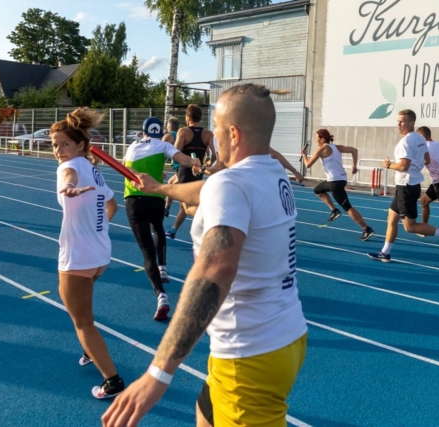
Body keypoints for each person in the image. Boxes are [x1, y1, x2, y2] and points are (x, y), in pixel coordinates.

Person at [102, 83, 308, 427]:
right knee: (206, 412)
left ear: (233, 134)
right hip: (285, 334)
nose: (214, 137)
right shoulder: (270, 173)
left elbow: (215, 271)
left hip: (247, 355)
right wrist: (161, 187)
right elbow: (210, 188)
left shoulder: (232, 184)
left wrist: (158, 373)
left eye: (217, 128)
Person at [51, 107, 124, 399]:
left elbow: (68, 175)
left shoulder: (69, 168)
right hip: (100, 254)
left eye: (65, 144)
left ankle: (113, 381)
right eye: (55, 145)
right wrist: (97, 229)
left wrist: (69, 187)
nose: (59, 151)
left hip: (78, 256)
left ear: (80, 144)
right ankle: (89, 350)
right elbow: (112, 205)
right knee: (80, 311)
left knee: (82, 321)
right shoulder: (93, 169)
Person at [124, 117, 199, 320]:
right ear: (160, 132)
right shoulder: (163, 145)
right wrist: (195, 163)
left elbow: (126, 169)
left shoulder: (132, 146)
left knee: (147, 253)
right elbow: (183, 159)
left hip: (134, 199)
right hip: (156, 197)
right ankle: (163, 268)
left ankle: (161, 296)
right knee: (158, 228)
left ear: (143, 131)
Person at [367, 110, 439, 262]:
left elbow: (404, 166)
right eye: (398, 121)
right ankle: (385, 252)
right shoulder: (420, 138)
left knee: (410, 227)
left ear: (411, 123)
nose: (398, 124)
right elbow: (427, 159)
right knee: (391, 218)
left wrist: (388, 165)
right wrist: (416, 163)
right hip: (410, 184)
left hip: (406, 186)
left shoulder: (405, 142)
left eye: (402, 121)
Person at [301, 128, 375, 240]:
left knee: (348, 207)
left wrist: (304, 155)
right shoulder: (337, 147)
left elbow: (307, 165)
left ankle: (366, 228)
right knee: (318, 190)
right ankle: (334, 210)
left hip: (334, 182)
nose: (316, 141)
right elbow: (354, 150)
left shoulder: (321, 149)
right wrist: (354, 165)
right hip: (341, 179)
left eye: (317, 138)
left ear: (322, 139)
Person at [165, 105, 216, 240]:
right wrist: (207, 164)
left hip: (185, 171)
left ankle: (208, 227)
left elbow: (174, 152)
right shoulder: (208, 134)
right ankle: (173, 230)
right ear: (200, 117)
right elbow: (214, 154)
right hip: (198, 171)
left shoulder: (183, 131)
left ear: (188, 117)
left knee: (186, 205)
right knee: (187, 203)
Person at [162, 116, 180, 217]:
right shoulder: (181, 134)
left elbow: (161, 153)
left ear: (169, 126)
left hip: (182, 168)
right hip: (182, 167)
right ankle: (166, 208)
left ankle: (165, 208)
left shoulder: (169, 136)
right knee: (170, 184)